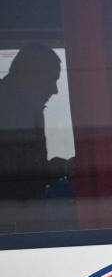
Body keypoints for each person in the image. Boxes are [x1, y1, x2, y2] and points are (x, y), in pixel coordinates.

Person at [0, 44, 72, 201]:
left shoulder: (29, 107)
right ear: (30, 75)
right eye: (51, 79)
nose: (55, 90)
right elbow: (17, 179)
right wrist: (57, 168)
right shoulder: (9, 109)